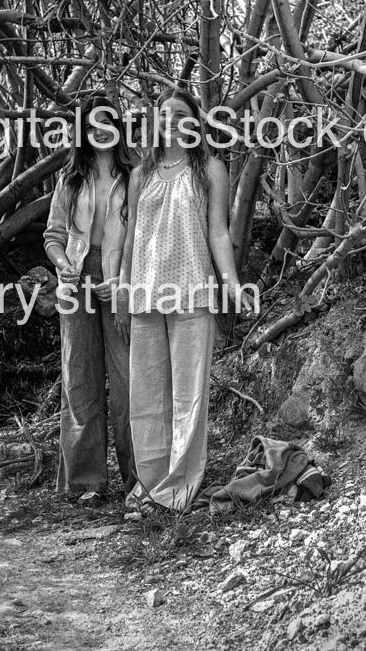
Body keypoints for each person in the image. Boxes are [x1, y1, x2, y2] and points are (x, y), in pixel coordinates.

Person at [117, 88, 256, 513]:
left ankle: (177, 489)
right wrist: (123, 288)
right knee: (146, 396)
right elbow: (131, 237)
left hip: (192, 289)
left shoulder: (211, 169)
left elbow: (218, 232)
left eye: (182, 114)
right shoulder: (141, 173)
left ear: (195, 122)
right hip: (144, 292)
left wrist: (231, 282)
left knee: (188, 396)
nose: (173, 120)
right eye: (165, 114)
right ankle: (150, 484)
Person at [44, 95, 136, 503]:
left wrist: (120, 281)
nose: (101, 130)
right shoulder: (70, 178)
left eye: (108, 121)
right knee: (79, 380)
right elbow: (53, 236)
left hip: (120, 282)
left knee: (127, 380)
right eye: (92, 123)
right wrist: (63, 264)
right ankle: (86, 482)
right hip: (75, 283)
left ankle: (140, 479)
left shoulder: (135, 175)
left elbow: (141, 234)